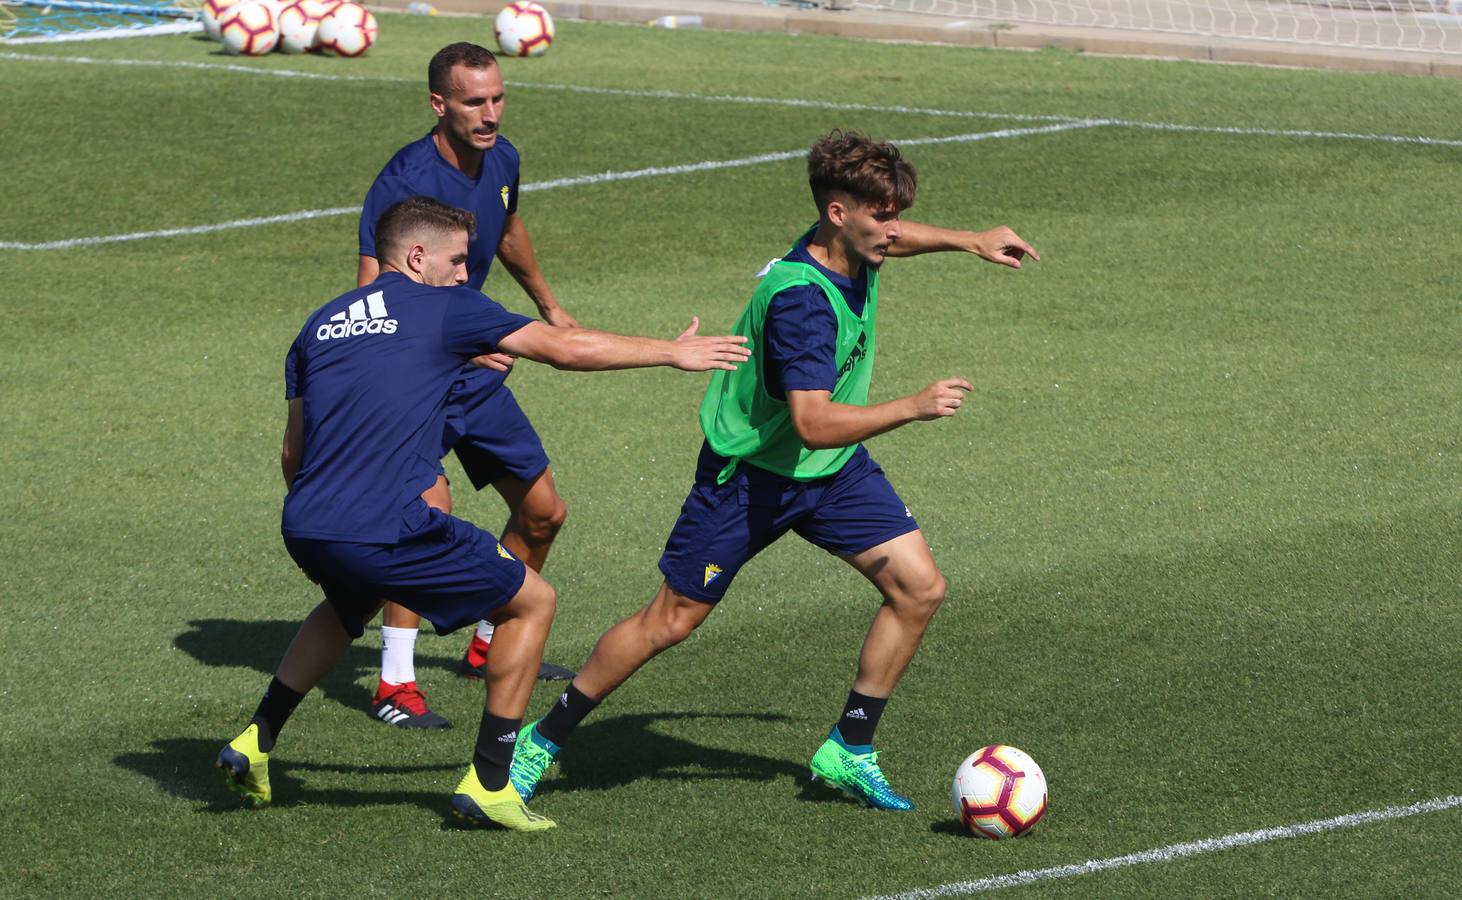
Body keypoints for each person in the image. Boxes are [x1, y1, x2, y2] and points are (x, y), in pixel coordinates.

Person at [506, 130, 1040, 811]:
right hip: (752, 478)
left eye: (895, 214)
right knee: (669, 620)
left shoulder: (853, 242)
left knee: (919, 588)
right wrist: (912, 406)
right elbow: (813, 419)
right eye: (882, 215)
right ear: (839, 213)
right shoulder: (801, 304)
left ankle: (848, 748)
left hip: (831, 469)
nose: (894, 231)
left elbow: (896, 243)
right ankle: (541, 739)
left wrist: (971, 239)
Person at [216, 196, 750, 831]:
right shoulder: (445, 307)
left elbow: (292, 451)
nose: (467, 274)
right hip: (385, 523)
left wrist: (326, 516)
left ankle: (254, 741)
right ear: (417, 258)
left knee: (346, 603)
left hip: (306, 520)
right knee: (532, 602)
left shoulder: (319, 324)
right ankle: (491, 781)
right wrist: (668, 351)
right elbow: (566, 348)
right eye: (459, 260)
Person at [357, 42, 579, 730]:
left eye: (497, 98)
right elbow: (372, 293)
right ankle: (395, 680)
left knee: (543, 512)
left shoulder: (503, 158)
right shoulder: (405, 182)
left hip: (473, 369)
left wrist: (547, 305)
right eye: (474, 102)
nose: (489, 114)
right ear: (439, 105)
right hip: (414, 377)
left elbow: (508, 230)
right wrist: (453, 344)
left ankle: (490, 639)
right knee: (423, 520)